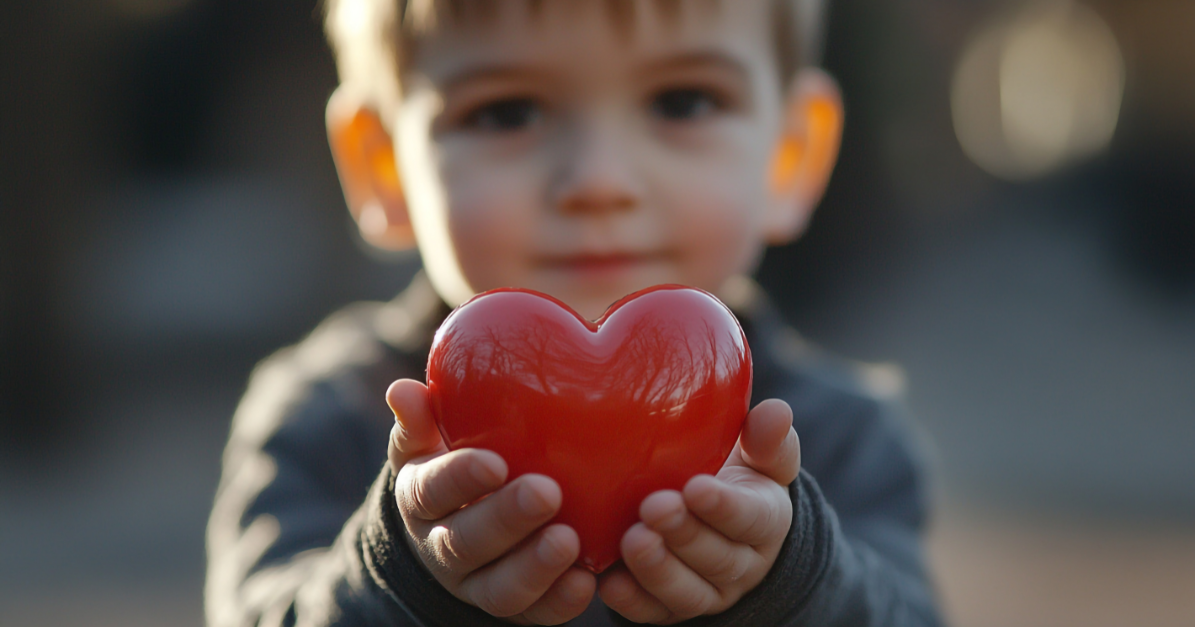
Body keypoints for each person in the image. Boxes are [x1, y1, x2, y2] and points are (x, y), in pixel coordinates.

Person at [205, 1, 944, 625]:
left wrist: (795, 577)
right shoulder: (330, 418)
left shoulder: (844, 437)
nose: (598, 180)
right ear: (384, 164)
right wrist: (399, 569)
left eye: (683, 100)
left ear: (791, 153)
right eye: (507, 111)